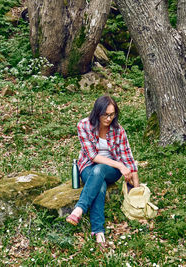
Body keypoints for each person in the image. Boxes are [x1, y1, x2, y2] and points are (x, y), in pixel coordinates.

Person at [66, 95, 140, 247]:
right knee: (99, 184)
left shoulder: (118, 131)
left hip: (111, 171)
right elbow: (92, 156)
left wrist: (137, 190)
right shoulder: (84, 125)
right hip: (88, 167)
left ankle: (79, 209)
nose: (108, 118)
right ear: (97, 112)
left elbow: (128, 159)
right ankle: (98, 231)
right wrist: (120, 165)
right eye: (105, 114)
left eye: (112, 114)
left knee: (100, 170)